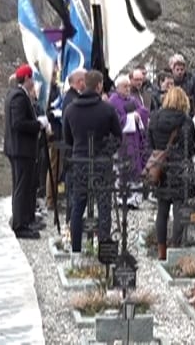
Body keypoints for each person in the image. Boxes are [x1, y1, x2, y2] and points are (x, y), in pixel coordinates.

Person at [62, 70, 122, 254]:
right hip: (102, 162)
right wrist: (106, 152)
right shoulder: (107, 109)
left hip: (80, 160)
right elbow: (118, 138)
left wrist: (79, 150)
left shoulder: (70, 109)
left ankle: (76, 251)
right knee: (104, 205)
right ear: (99, 86)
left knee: (77, 205)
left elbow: (68, 139)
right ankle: (104, 248)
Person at [148, 86, 195, 260]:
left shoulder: (154, 118)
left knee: (162, 210)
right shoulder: (185, 121)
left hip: (161, 170)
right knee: (179, 209)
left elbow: (151, 143)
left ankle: (161, 251)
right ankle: (175, 248)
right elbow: (190, 147)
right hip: (180, 169)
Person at [3, 64, 45, 239]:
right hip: (20, 149)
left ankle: (27, 219)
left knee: (27, 186)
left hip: (22, 149)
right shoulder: (18, 97)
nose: (33, 81)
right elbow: (18, 123)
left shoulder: (18, 95)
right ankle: (20, 225)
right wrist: (38, 124)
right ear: (26, 78)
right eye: (32, 78)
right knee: (21, 187)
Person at [109, 75, 150, 208]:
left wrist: (137, 115)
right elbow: (114, 121)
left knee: (134, 169)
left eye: (128, 86)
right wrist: (132, 117)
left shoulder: (133, 99)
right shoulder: (113, 101)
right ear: (118, 88)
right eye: (124, 86)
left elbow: (143, 111)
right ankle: (120, 199)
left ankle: (134, 200)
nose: (128, 89)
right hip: (121, 142)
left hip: (134, 141)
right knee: (121, 170)